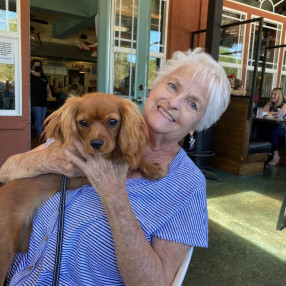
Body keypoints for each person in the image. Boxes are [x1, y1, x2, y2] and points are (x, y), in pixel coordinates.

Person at [0, 48, 230, 285]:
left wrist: (114, 193)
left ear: (198, 125)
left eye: (192, 104)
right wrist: (47, 160)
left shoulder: (187, 185)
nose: (173, 102)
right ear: (154, 88)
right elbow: (6, 171)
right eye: (173, 86)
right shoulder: (87, 126)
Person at [262, 88, 286, 165]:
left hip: (282, 127)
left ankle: (276, 155)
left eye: (275, 94)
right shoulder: (270, 103)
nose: (272, 96)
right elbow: (262, 112)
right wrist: (270, 111)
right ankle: (262, 155)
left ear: (280, 96)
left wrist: (268, 113)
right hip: (271, 125)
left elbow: (280, 114)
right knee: (261, 131)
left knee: (274, 133)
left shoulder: (284, 104)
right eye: (272, 94)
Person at [30, 59, 53, 137]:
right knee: (38, 118)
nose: (37, 67)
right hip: (35, 100)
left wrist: (50, 94)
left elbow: (47, 86)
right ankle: (42, 135)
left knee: (43, 119)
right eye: (36, 65)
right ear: (32, 67)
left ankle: (34, 126)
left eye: (39, 65)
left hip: (43, 100)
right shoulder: (30, 76)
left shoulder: (43, 76)